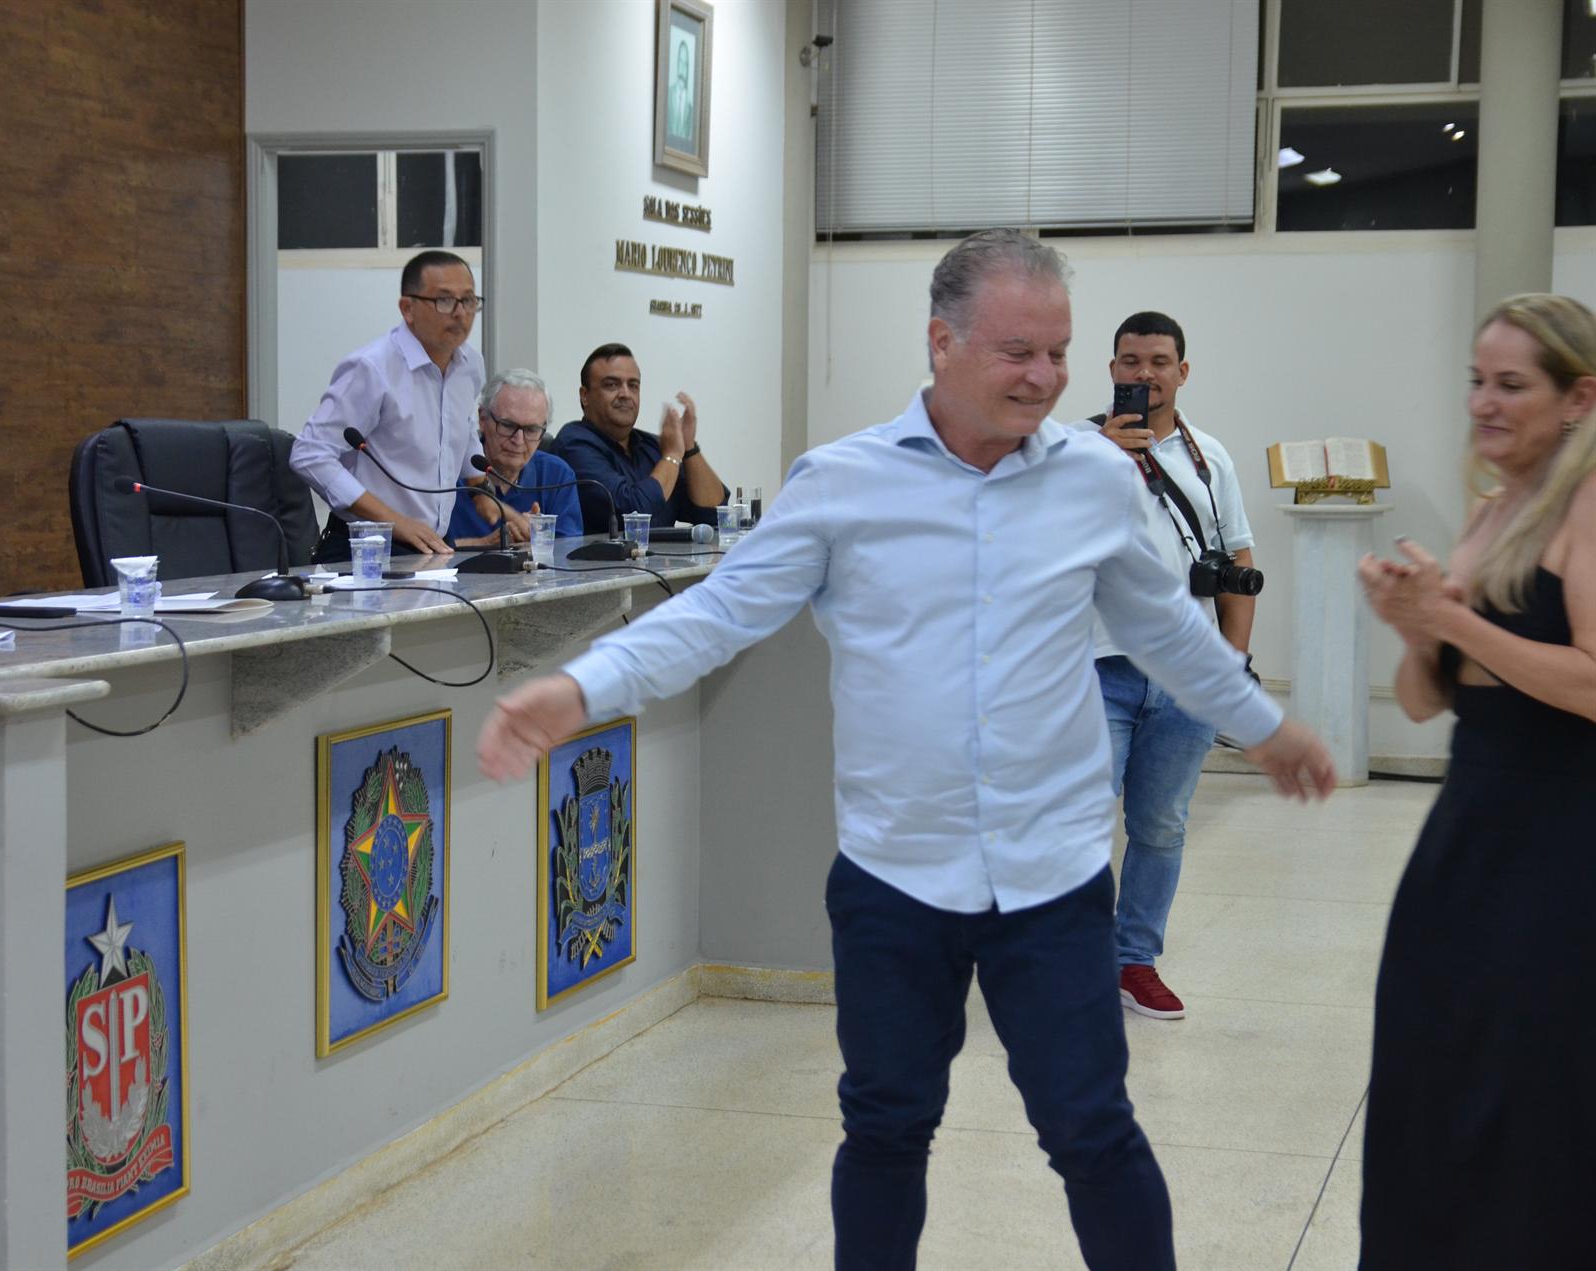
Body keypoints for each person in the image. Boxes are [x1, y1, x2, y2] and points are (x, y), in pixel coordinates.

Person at [480, 230, 1335, 1270]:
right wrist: (582, 686)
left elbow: (1165, 630)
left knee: (1093, 1130)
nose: (1047, 376)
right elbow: (718, 612)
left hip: (1053, 879)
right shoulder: (845, 483)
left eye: (1059, 352)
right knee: (886, 1130)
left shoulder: (1095, 482)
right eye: (1018, 350)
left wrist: (1263, 722)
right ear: (941, 341)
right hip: (897, 879)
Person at [1356, 293, 1596, 1268]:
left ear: (1580, 398)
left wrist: (1453, 622)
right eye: (1475, 380)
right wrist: (1417, 631)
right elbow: (1426, 702)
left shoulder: (1589, 507)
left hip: (1562, 841)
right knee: (1434, 1069)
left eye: (1510, 384)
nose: (1483, 404)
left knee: (1530, 1091)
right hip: (1468, 835)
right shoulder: (1496, 510)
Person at [1078, 312, 1258, 1021]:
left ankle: (1134, 960)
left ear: (1182, 372)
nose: (1144, 373)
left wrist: (1233, 661)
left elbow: (1237, 559)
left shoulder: (1211, 459)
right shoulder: (1071, 452)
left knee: (1161, 824)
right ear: (1112, 370)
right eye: (1130, 361)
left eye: (1158, 361)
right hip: (1097, 668)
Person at [291, 249, 485, 560]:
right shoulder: (372, 367)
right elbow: (309, 454)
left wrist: (483, 494)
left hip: (433, 544)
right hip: (366, 547)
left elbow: (461, 429)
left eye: (469, 301)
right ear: (408, 308)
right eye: (444, 300)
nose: (460, 313)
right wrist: (393, 521)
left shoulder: (470, 365)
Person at [552, 343, 725, 535]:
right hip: (601, 555)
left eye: (633, 385)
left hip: (660, 555)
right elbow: (632, 514)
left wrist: (689, 447)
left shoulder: (653, 446)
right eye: (612, 385)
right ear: (585, 396)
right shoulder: (574, 443)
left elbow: (716, 515)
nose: (625, 394)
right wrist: (673, 456)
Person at [446, 370, 582, 548]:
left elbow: (569, 552)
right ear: (482, 419)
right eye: (507, 425)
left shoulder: (557, 475)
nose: (518, 440)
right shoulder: (447, 471)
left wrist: (537, 537)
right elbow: (419, 552)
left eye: (531, 430)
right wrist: (484, 544)